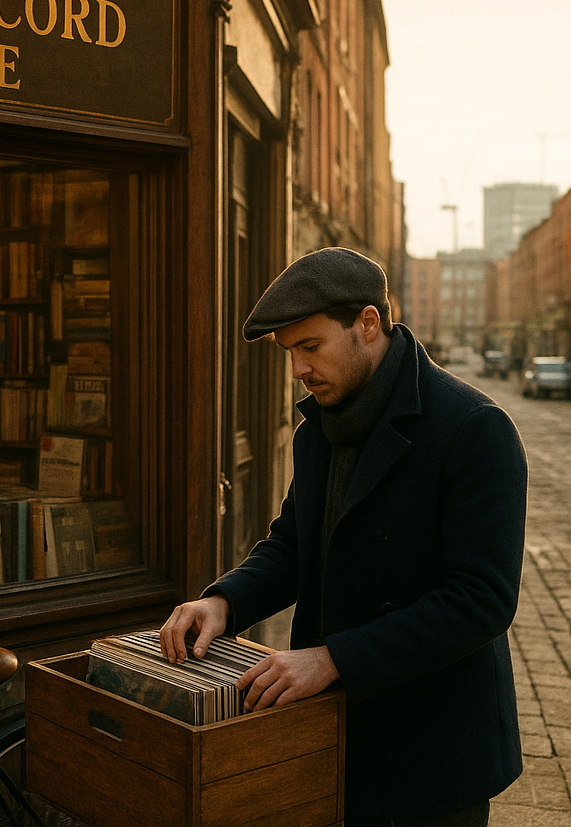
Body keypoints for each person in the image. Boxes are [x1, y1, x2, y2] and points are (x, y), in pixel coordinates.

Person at [159, 247, 527, 827]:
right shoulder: (321, 429)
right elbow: (293, 546)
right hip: (330, 731)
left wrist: (336, 659)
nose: (299, 369)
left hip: (431, 751)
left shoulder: (473, 428)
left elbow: (482, 600)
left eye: (311, 346)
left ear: (368, 324)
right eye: (290, 352)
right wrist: (223, 601)